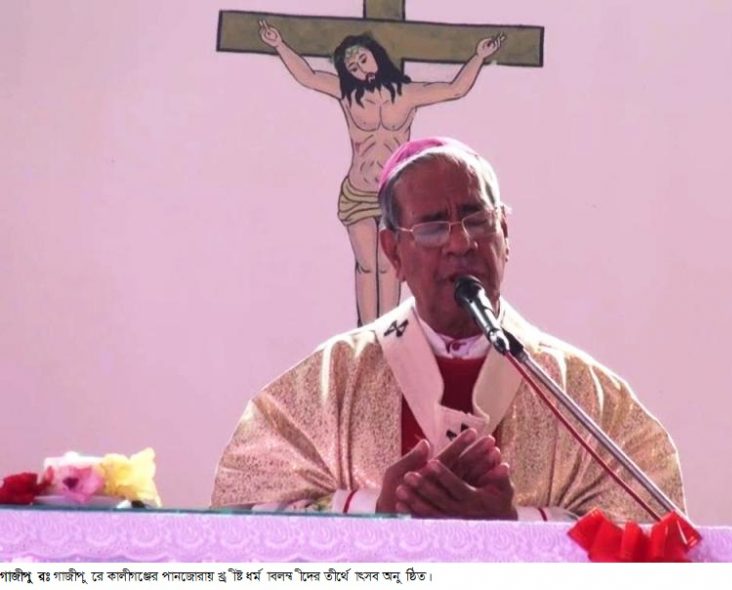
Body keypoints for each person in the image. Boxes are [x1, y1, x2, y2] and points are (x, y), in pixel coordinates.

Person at [212, 138, 685, 522]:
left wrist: (515, 528)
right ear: (393, 252)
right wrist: (374, 511)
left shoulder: (584, 395)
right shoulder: (328, 384)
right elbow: (241, 514)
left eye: (477, 219)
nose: (461, 243)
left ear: (505, 233)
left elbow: (655, 530)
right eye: (435, 228)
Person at [257, 20, 506, 326]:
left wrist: (479, 57)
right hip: (358, 191)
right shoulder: (349, 96)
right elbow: (307, 76)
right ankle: (365, 332)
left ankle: (385, 331)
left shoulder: (406, 94)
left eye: (362, 58)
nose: (359, 67)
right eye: (351, 65)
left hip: (393, 197)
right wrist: (279, 44)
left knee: (388, 266)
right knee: (366, 266)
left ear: (375, 56)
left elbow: (454, 89)